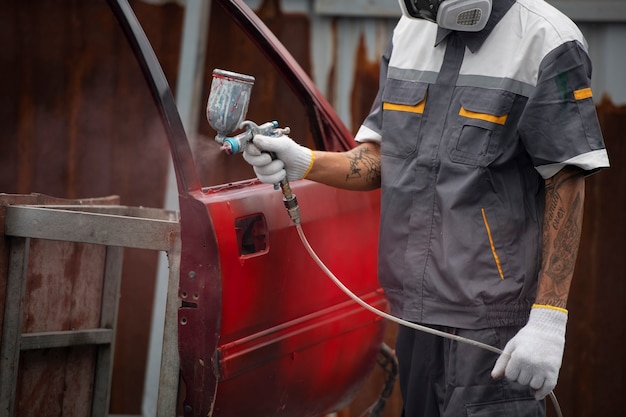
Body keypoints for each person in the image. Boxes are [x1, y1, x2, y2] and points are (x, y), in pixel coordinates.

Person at [243, 0, 610, 415]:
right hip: (414, 317)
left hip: (491, 328)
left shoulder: (546, 40)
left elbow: (567, 181)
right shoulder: (410, 32)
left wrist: (549, 317)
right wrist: (304, 161)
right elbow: (383, 159)